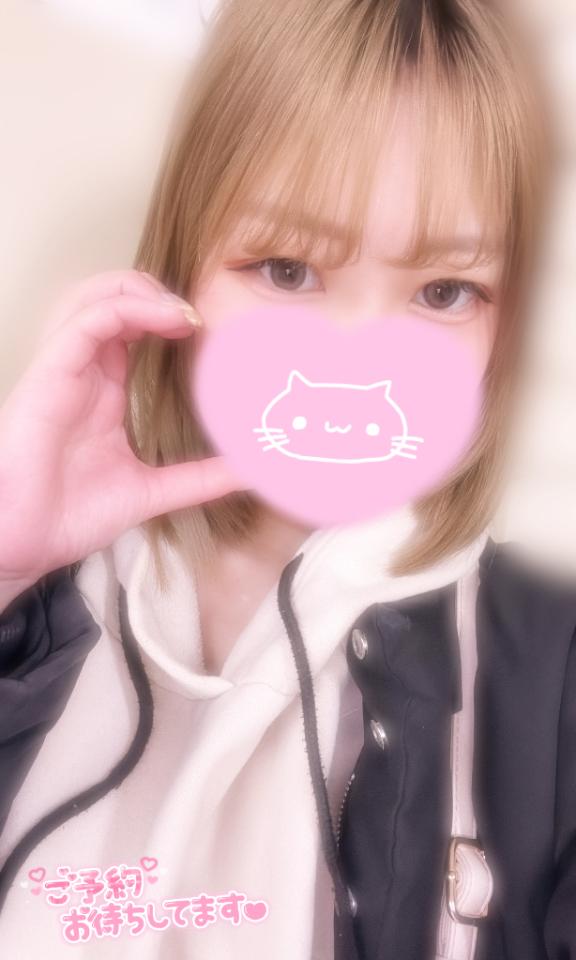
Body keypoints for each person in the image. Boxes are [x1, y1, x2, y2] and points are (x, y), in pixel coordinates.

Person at [0, 0, 571, 957]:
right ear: (180, 266)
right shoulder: (34, 597)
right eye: (288, 269)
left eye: (443, 291)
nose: (356, 356)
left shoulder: (552, 673)